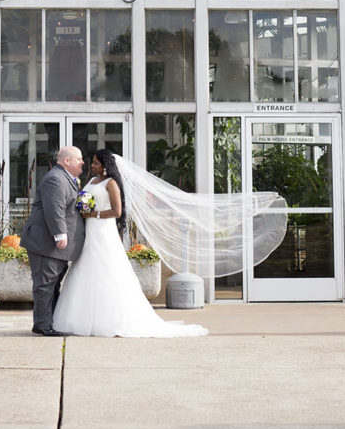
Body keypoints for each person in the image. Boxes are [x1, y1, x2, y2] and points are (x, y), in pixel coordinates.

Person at [52, 149, 208, 338]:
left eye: (95, 163)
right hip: (89, 231)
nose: (91, 166)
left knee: (107, 271)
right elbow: (85, 200)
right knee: (84, 270)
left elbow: (117, 211)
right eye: (91, 163)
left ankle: (109, 320)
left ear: (104, 166)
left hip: (103, 231)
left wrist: (95, 214)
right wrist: (83, 207)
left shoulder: (111, 184)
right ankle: (81, 318)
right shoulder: (92, 181)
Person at [20, 145, 86, 336]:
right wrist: (60, 235)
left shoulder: (65, 178)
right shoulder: (55, 179)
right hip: (45, 244)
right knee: (45, 284)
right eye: (79, 159)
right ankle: (42, 325)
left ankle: (49, 322)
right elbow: (54, 209)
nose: (82, 162)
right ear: (67, 161)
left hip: (53, 247)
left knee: (51, 284)